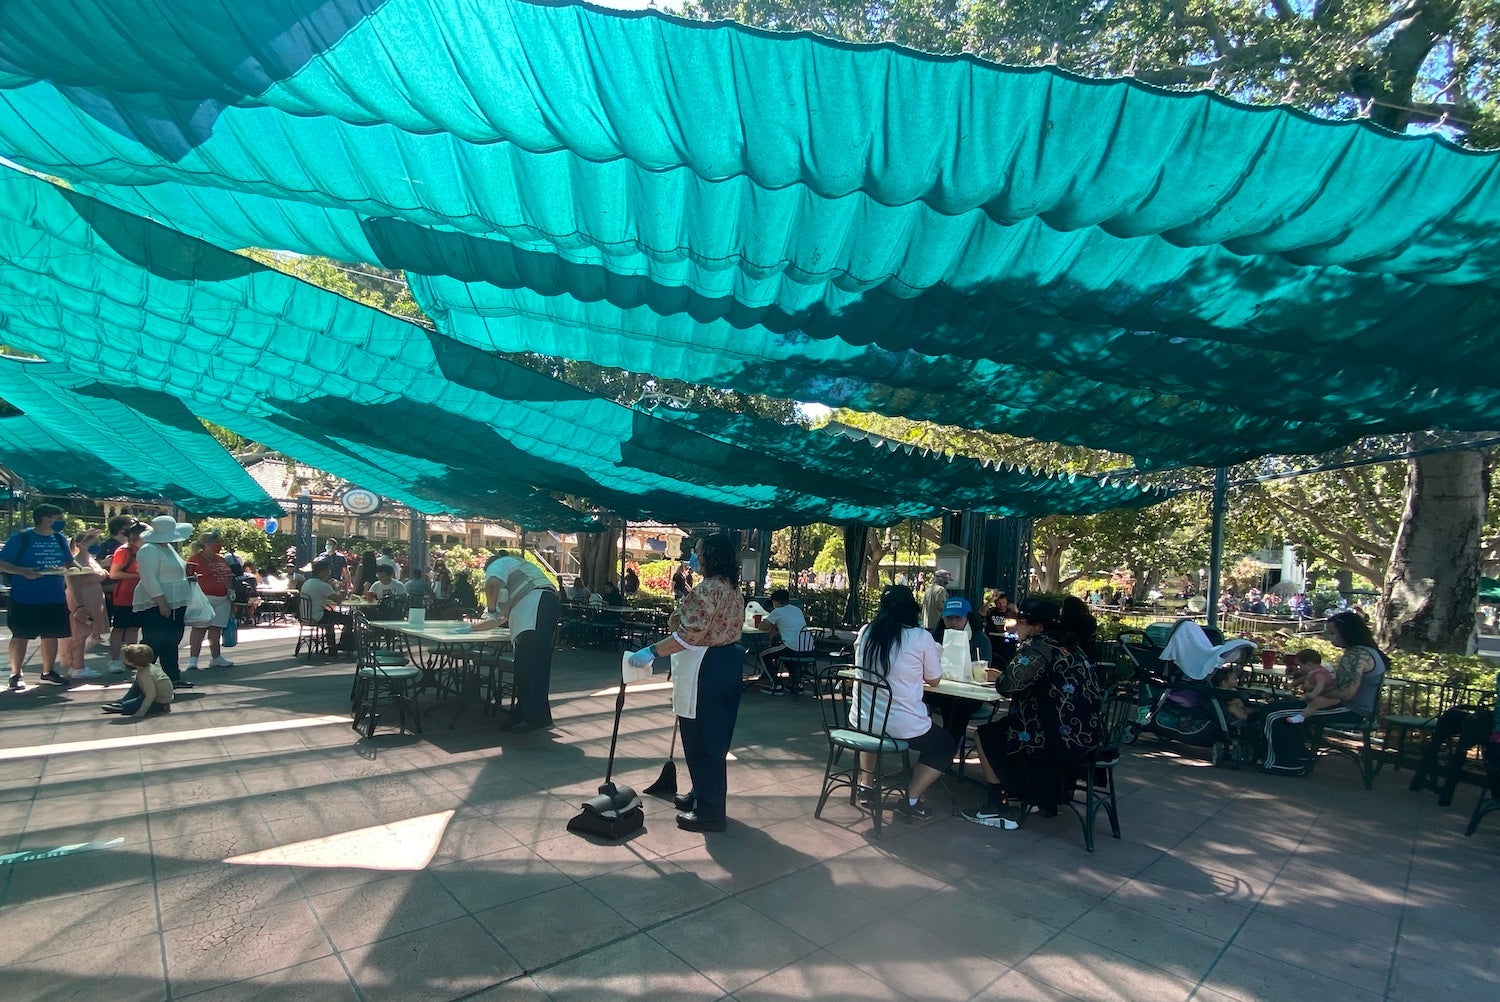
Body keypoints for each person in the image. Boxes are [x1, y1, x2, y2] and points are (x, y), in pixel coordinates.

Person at [626, 532, 746, 833]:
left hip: (704, 666)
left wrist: (652, 651)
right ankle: (702, 793)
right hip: (727, 664)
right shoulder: (732, 589)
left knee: (701, 739)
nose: (694, 555)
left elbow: (687, 634)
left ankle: (710, 811)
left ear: (710, 556)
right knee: (716, 736)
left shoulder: (708, 590)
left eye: (698, 550)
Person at [962, 596, 1103, 830]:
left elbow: (1009, 686)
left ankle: (998, 805)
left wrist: (999, 677)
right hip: (1088, 735)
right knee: (1005, 725)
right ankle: (1039, 797)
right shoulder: (1071, 646)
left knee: (984, 734)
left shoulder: (1039, 647)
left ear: (1037, 626)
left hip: (1054, 737)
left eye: (1020, 621)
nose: (1014, 625)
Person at [849, 584, 955, 820]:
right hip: (901, 725)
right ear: (911, 610)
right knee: (945, 744)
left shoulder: (867, 632)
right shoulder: (919, 637)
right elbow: (934, 680)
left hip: (863, 720)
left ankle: (867, 785)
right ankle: (911, 798)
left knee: (873, 733)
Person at [1257, 611, 1388, 775]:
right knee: (1279, 707)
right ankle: (1300, 754)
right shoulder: (1367, 651)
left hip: (1351, 709)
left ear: (1347, 631)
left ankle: (1285, 763)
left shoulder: (1356, 654)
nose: (1330, 638)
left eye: (1333, 633)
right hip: (1355, 708)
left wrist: (1314, 690)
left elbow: (1346, 692)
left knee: (1274, 715)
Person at [478, 551, 561, 732]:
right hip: (543, 604)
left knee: (530, 665)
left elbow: (492, 586)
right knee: (533, 664)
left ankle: (532, 715)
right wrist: (475, 627)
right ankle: (530, 713)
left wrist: (490, 609)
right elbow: (501, 618)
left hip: (535, 605)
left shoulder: (499, 563)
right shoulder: (516, 576)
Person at [0, 503, 78, 690]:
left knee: (51, 634)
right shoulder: (22, 537)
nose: (62, 522)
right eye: (59, 519)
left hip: (54, 595)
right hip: (25, 596)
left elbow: (68, 562)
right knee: (21, 634)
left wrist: (79, 568)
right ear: (46, 519)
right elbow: (2, 562)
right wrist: (22, 571)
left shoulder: (59, 538)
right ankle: (16, 673)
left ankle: (48, 671)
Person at [134, 515, 196, 687]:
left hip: (176, 601)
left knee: (171, 640)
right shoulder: (148, 550)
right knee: (154, 641)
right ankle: (143, 680)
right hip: (157, 603)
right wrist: (160, 601)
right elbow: (149, 578)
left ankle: (172, 675)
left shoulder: (168, 548)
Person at [924, 596, 994, 746]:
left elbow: (984, 671)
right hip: (938, 689)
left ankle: (946, 747)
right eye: (949, 618)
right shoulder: (934, 637)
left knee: (957, 705)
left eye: (958, 618)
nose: (953, 622)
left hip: (968, 696)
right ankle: (938, 745)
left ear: (968, 618)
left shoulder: (980, 640)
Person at [58, 529, 109, 681]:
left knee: (88, 632)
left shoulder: (90, 558)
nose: (94, 544)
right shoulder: (75, 559)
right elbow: (72, 583)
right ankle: (78, 666)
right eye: (90, 541)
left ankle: (77, 664)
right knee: (80, 632)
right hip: (81, 598)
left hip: (94, 599)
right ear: (79, 544)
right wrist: (80, 606)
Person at [185, 530, 235, 671]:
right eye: (215, 542)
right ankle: (193, 659)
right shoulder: (194, 559)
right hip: (203, 599)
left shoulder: (221, 559)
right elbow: (189, 578)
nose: (218, 545)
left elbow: (229, 576)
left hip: (223, 599)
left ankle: (216, 657)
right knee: (199, 628)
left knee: (215, 629)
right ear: (206, 544)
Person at [106, 521, 148, 674]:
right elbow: (114, 574)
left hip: (139, 596)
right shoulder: (124, 551)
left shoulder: (144, 550)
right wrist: (137, 575)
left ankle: (131, 659)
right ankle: (115, 660)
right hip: (123, 596)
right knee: (119, 628)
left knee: (134, 628)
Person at [756, 588, 814, 694]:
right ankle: (796, 683)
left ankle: (776, 684)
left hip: (792, 646)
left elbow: (762, 627)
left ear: (775, 602)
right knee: (784, 654)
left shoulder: (778, 611)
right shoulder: (796, 609)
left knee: (763, 655)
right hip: (807, 646)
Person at [102, 643, 174, 717]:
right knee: (137, 683)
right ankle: (123, 703)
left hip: (158, 700)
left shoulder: (146, 674)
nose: (122, 659)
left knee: (128, 707)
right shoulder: (147, 667)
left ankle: (161, 707)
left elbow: (151, 695)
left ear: (132, 662)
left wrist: (141, 711)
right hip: (155, 694)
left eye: (124, 658)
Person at [297, 559, 353, 654]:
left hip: (306, 616)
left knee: (330, 617)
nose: (328, 574)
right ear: (321, 572)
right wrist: (345, 591)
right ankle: (345, 644)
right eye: (327, 572)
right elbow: (338, 600)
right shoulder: (323, 585)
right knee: (348, 619)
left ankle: (332, 646)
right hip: (318, 616)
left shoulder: (307, 582)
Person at [1292, 648, 1340, 715]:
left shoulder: (1319, 673)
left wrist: (1313, 694)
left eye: (1300, 666)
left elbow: (1320, 685)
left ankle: (1300, 717)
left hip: (1326, 699)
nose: (1300, 668)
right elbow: (1306, 678)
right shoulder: (1314, 671)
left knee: (1311, 705)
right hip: (1322, 696)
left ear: (1309, 664)